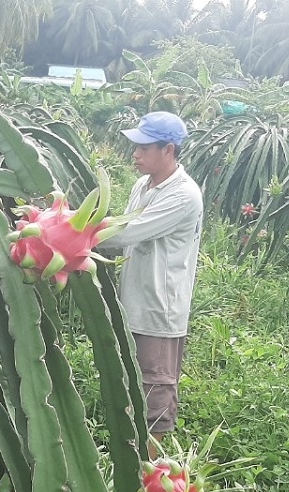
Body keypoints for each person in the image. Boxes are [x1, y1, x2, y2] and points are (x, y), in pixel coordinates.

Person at [98, 111, 203, 459]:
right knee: (131, 388)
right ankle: (129, 464)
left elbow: (127, 231)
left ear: (168, 150)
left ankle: (150, 472)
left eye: (144, 148)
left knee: (155, 394)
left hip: (160, 310)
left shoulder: (184, 195)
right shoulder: (143, 186)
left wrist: (71, 229)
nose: (136, 154)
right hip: (134, 303)